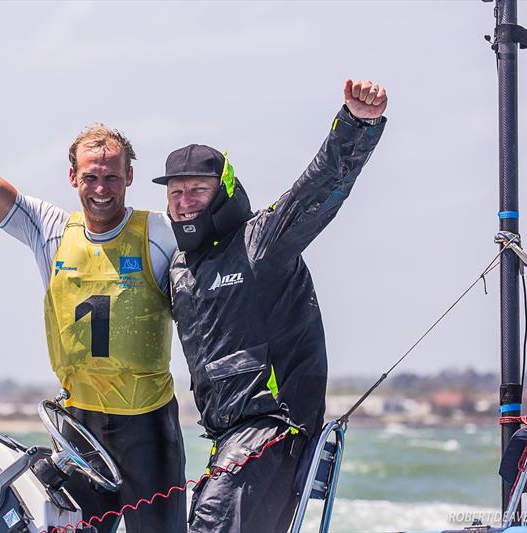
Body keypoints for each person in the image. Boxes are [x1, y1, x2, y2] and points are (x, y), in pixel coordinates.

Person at [0, 70, 186, 533]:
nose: (102, 188)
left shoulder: (161, 234)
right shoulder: (48, 229)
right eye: (91, 177)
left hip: (148, 428)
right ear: (73, 177)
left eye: (112, 177)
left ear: (130, 177)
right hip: (78, 426)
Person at [155, 79, 388, 532]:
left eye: (197, 191)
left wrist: (357, 124)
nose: (185, 204)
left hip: (274, 428)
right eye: (176, 194)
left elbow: (315, 191)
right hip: (228, 438)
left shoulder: (261, 241)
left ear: (222, 189)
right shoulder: (179, 267)